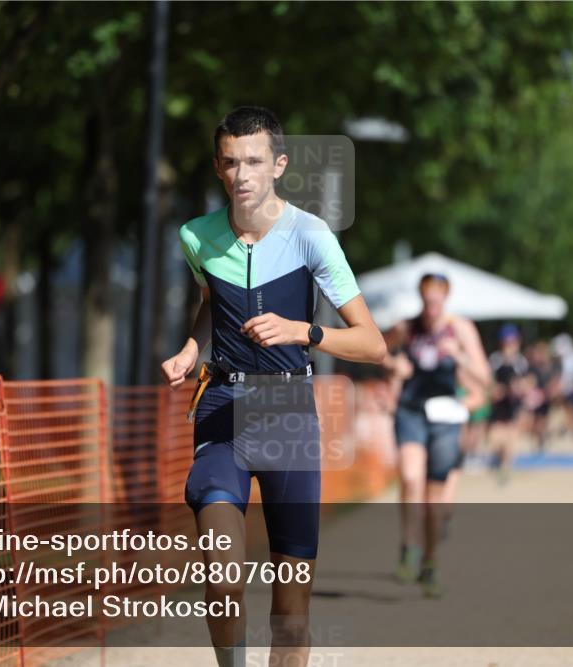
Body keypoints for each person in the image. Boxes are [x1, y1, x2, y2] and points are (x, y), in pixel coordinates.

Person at [160, 106, 386, 667]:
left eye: (255, 161)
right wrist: (191, 348)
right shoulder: (196, 236)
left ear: (278, 165)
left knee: (290, 613)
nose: (242, 175)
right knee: (222, 575)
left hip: (289, 414)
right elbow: (212, 303)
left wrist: (304, 331)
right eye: (231, 162)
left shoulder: (311, 236)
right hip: (223, 409)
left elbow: (372, 344)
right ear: (218, 166)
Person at [382, 272, 489, 596]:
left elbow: (484, 377)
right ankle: (409, 546)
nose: (431, 307)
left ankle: (431, 562)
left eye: (436, 301)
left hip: (445, 415)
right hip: (411, 410)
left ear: (446, 298)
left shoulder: (461, 328)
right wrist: (393, 365)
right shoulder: (407, 327)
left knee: (434, 499)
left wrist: (458, 355)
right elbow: (377, 349)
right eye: (427, 301)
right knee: (410, 477)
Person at [487, 323, 529, 482]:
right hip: (498, 405)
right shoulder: (495, 359)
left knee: (511, 437)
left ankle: (505, 468)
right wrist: (494, 390)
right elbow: (487, 380)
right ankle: (500, 460)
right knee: (496, 438)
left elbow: (527, 382)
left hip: (513, 405)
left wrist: (519, 388)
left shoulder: (520, 361)